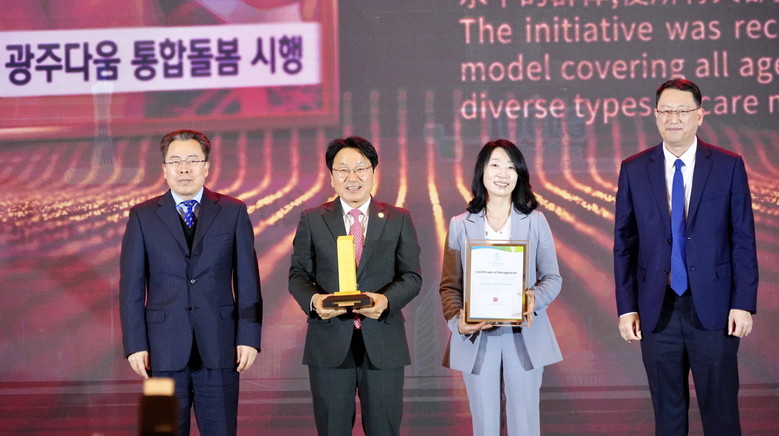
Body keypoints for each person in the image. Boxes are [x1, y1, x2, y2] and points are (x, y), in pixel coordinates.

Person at [614, 79, 758, 436]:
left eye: (682, 111)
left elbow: (742, 238)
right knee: (668, 417)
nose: (673, 118)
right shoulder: (634, 168)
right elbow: (625, 243)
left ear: (699, 116)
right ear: (655, 116)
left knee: (721, 415)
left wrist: (743, 303)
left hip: (715, 309)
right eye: (666, 111)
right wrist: (627, 308)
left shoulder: (727, 165)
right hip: (656, 309)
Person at [120, 129, 263, 436]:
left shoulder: (233, 211)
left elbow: (248, 280)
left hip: (220, 347)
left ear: (206, 167)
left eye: (192, 160)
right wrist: (135, 345)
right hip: (160, 351)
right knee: (162, 430)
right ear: (164, 169)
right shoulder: (143, 216)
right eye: (175, 161)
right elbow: (131, 288)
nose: (184, 168)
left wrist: (249, 337)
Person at [288, 136, 422, 435]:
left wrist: (386, 301)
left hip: (383, 341)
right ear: (331, 176)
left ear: (373, 172)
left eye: (361, 168)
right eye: (343, 170)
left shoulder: (398, 218)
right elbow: (298, 274)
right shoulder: (313, 219)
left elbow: (412, 276)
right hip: (329, 341)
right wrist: (315, 302)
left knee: (384, 429)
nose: (352, 177)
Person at [439, 139, 562, 436]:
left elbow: (552, 278)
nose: (503, 173)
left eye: (511, 167)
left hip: (524, 334)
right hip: (478, 335)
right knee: (485, 424)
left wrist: (533, 299)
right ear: (481, 171)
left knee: (525, 423)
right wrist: (459, 322)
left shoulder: (535, 221)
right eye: (495, 164)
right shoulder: (460, 224)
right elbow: (449, 286)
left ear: (519, 175)